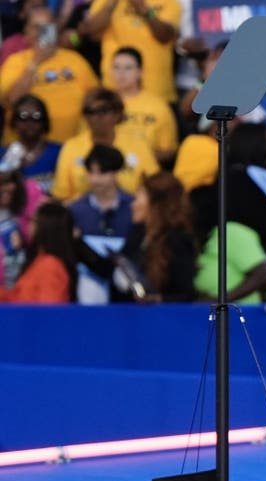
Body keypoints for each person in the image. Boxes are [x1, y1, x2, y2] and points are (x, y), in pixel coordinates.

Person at [0, 6, 100, 144]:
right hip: (27, 147)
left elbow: (95, 96)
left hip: (70, 145)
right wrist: (36, 61)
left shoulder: (74, 59)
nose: (42, 32)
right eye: (37, 27)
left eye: (47, 26)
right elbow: (12, 100)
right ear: (26, 32)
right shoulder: (16, 61)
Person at [52, 87, 160, 202]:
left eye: (103, 111)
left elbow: (155, 185)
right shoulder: (71, 147)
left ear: (117, 114)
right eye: (90, 112)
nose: (96, 117)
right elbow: (61, 196)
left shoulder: (138, 145)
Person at [112, 171, 196, 302]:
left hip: (164, 318)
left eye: (138, 198)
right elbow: (114, 268)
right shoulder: (138, 235)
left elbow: (185, 294)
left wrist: (157, 300)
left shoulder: (177, 240)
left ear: (157, 204)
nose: (133, 204)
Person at [78, 0, 181, 103]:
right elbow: (91, 32)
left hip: (156, 89)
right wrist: (111, 4)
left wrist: (145, 11)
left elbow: (165, 36)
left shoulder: (169, 2)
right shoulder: (103, 1)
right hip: (114, 90)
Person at [110, 46, 178, 166]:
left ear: (140, 72)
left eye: (128, 68)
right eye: (116, 67)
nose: (121, 73)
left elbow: (169, 150)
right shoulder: (102, 103)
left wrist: (141, 158)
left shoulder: (158, 106)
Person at [0, 200, 75, 303]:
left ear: (46, 227)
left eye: (32, 221)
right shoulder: (39, 260)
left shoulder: (51, 266)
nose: (28, 225)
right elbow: (16, 297)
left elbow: (48, 313)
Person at [1, 94, 60, 193]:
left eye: (36, 116)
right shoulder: (3, 153)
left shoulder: (59, 152)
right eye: (23, 116)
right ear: (14, 122)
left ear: (44, 122)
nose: (29, 122)